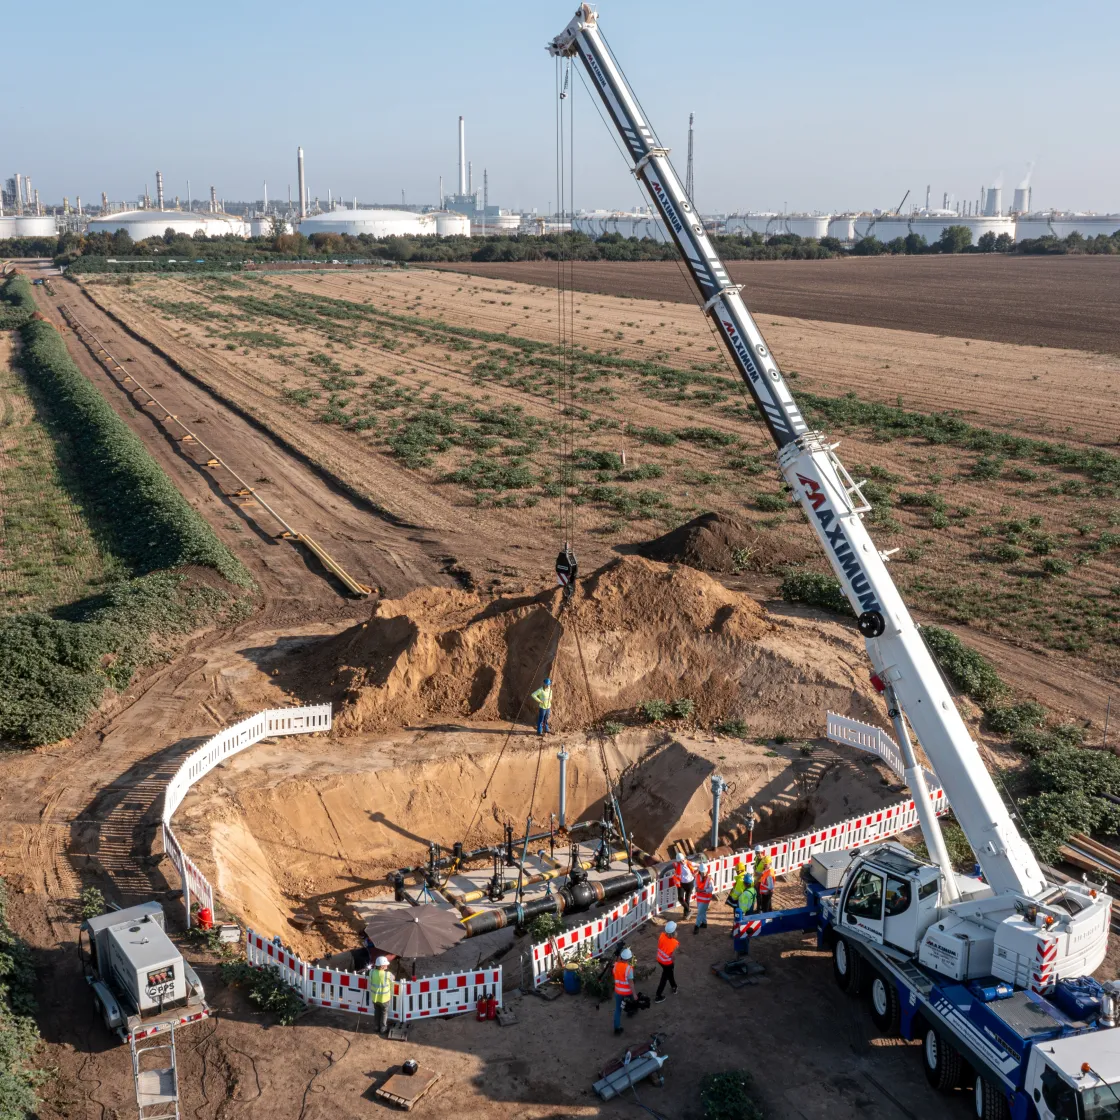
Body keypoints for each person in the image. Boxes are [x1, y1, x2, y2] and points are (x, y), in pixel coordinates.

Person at [654, 921, 679, 1003]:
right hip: (667, 963)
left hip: (659, 960)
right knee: (664, 978)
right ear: (674, 932)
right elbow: (673, 956)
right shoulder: (675, 943)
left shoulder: (661, 935)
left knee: (669, 974)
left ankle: (674, 987)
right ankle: (658, 995)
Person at [612, 947, 634, 1034]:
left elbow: (617, 962)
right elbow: (631, 983)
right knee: (631, 1002)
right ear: (629, 958)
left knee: (618, 1010)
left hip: (618, 991)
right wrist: (635, 994)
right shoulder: (629, 969)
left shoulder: (615, 966)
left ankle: (617, 1028)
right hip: (627, 991)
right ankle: (630, 1012)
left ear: (621, 957)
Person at [371, 955, 393, 1035]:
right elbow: (393, 978)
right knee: (384, 1013)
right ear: (382, 966)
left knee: (377, 1011)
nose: (387, 965)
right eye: (386, 964)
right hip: (384, 998)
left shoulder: (372, 972)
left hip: (375, 998)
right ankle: (383, 1028)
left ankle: (376, 1027)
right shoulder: (387, 974)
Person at [693, 862, 714, 933]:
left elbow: (711, 889)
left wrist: (703, 890)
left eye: (704, 872)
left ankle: (697, 926)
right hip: (699, 897)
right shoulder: (697, 876)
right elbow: (695, 883)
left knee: (700, 912)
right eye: (702, 872)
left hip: (706, 898)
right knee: (702, 911)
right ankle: (704, 923)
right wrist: (696, 887)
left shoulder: (709, 878)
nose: (703, 874)